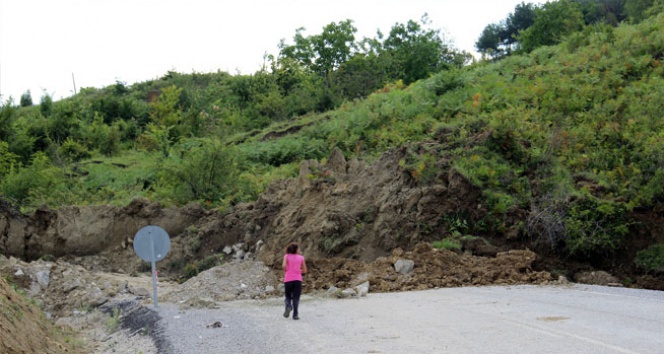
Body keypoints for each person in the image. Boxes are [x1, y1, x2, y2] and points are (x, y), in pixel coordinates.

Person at [282, 242, 307, 320]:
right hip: (297, 280)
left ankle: (288, 305)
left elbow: (283, 266)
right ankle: (295, 315)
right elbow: (305, 270)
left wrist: (286, 270)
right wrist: (298, 271)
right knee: (296, 297)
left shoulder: (286, 256)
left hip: (288, 279)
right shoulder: (301, 258)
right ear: (296, 249)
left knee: (288, 296)